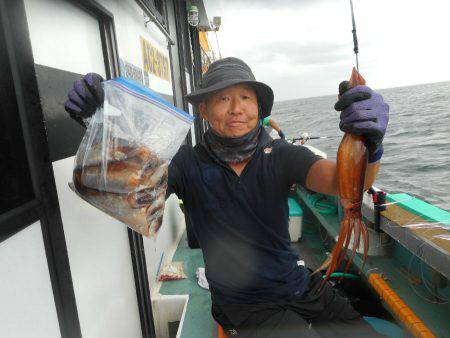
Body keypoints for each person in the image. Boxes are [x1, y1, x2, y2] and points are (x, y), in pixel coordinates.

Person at [65, 57, 389, 337]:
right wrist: (101, 123)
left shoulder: (282, 154)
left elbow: (343, 183)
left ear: (258, 108)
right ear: (204, 110)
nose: (236, 109)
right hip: (242, 304)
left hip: (297, 283)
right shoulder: (187, 164)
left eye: (245, 97)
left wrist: (369, 143)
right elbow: (134, 190)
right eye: (223, 99)